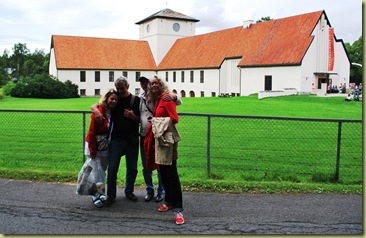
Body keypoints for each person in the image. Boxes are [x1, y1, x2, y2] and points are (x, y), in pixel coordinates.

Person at [92, 76, 141, 206]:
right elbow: (97, 105)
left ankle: (129, 191)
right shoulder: (115, 100)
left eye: (121, 88)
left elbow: (142, 119)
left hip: (132, 139)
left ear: (128, 87)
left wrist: (133, 116)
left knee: (132, 168)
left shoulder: (136, 100)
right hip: (116, 140)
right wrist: (96, 110)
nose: (119, 91)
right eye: (117, 88)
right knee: (112, 168)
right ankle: (111, 195)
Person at [145, 76, 184, 225]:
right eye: (152, 84)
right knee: (163, 171)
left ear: (161, 85)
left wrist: (155, 121)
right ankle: (168, 201)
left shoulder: (166, 98)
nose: (154, 85)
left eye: (156, 83)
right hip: (159, 139)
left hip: (167, 140)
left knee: (171, 174)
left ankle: (179, 209)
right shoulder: (158, 99)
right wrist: (153, 119)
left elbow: (174, 118)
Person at [85, 90, 118, 207]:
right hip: (95, 145)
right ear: (106, 99)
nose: (113, 101)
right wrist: (92, 150)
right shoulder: (99, 111)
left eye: (115, 99)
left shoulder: (112, 112)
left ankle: (101, 192)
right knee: (95, 172)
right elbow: (92, 132)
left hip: (105, 146)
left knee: (102, 171)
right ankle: (95, 196)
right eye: (111, 99)